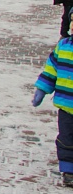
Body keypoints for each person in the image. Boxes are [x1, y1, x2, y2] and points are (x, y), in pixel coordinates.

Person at [33, 12, 73, 187]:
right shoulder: (63, 46)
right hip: (66, 106)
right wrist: (42, 88)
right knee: (66, 139)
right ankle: (68, 170)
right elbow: (52, 69)